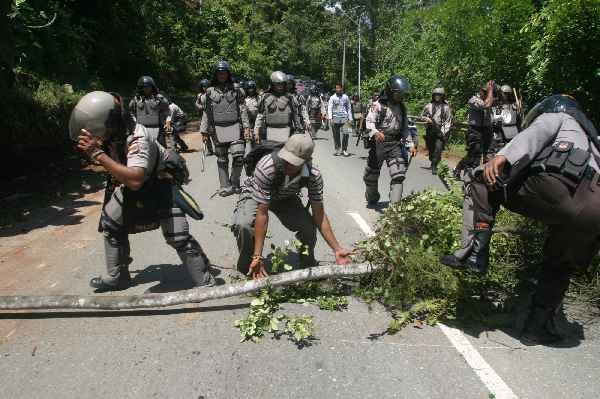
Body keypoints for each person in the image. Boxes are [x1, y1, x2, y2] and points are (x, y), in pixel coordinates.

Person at [440, 94, 600, 345]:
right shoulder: (593, 141)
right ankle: (536, 329)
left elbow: (535, 135)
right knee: (559, 264)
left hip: (562, 190)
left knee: (481, 179)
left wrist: (503, 157)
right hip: (594, 213)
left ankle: (473, 254)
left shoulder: (559, 116)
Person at [71, 91, 213, 292]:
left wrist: (97, 154)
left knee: (177, 236)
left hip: (159, 185)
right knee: (110, 224)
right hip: (130, 186)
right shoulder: (113, 135)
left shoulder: (138, 138)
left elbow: (136, 178)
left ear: (112, 122)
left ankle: (205, 282)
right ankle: (117, 276)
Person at [231, 134, 353, 278]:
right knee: (243, 224)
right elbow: (262, 214)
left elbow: (319, 215)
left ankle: (307, 268)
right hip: (255, 194)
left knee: (308, 226)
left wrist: (337, 249)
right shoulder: (266, 166)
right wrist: (258, 256)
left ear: (306, 161)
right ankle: (250, 268)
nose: (288, 165)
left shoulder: (313, 176)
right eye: (286, 159)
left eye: (294, 163)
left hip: (285, 197)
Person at [363, 75, 417, 206]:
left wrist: (410, 144)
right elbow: (369, 123)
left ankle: (395, 207)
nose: (401, 96)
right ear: (390, 92)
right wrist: (376, 132)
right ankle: (372, 195)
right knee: (371, 175)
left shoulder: (402, 108)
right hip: (379, 144)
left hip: (394, 144)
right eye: (398, 93)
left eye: (402, 94)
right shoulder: (377, 106)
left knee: (399, 175)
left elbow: (404, 129)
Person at [199, 60, 251, 197]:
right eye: (219, 73)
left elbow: (243, 109)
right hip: (217, 129)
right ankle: (225, 186)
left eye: (224, 73)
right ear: (216, 75)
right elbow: (206, 113)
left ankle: (235, 182)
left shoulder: (236, 89)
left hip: (235, 127)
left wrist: (246, 127)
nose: (222, 75)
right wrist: (204, 131)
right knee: (222, 159)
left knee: (239, 157)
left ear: (228, 74)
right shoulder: (209, 92)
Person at [453, 84, 493, 179]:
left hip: (486, 130)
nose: (487, 94)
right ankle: (461, 170)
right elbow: (486, 105)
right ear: (480, 91)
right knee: (474, 153)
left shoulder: (490, 100)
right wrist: (490, 90)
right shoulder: (473, 100)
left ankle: (477, 175)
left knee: (485, 155)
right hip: (474, 130)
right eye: (485, 92)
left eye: (488, 92)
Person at [253, 71, 304, 143]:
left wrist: (299, 129)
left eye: (282, 84)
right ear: (272, 84)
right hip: (269, 132)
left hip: (287, 131)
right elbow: (260, 115)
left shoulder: (290, 98)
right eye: (277, 84)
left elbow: (295, 115)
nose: (280, 86)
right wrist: (256, 132)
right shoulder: (265, 97)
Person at [128, 76, 170, 146]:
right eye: (144, 87)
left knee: (162, 149)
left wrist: (168, 121)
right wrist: (135, 123)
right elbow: (131, 112)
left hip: (157, 129)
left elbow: (168, 111)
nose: (146, 88)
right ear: (141, 88)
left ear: (152, 87)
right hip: (141, 129)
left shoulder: (159, 98)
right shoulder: (136, 99)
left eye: (148, 86)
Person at [421, 87, 452, 175]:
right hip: (430, 129)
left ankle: (434, 165)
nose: (437, 96)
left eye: (439, 95)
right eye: (436, 95)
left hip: (440, 130)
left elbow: (448, 121)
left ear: (442, 96)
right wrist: (426, 119)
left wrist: (443, 132)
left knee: (438, 149)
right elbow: (422, 116)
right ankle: (432, 160)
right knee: (431, 148)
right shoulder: (428, 106)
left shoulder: (446, 107)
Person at [487, 84, 522, 157]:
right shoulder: (499, 106)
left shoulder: (515, 105)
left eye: (506, 94)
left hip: (513, 133)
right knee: (498, 151)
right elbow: (496, 119)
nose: (504, 95)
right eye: (504, 94)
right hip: (501, 132)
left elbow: (518, 120)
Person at [328, 83, 353, 156]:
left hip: (345, 118)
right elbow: (329, 108)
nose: (338, 89)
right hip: (335, 118)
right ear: (335, 89)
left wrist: (350, 118)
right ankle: (337, 149)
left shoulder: (346, 97)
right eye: (336, 88)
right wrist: (330, 118)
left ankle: (344, 150)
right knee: (336, 135)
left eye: (339, 88)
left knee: (346, 134)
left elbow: (349, 108)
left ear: (342, 89)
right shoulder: (332, 97)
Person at [195, 78, 214, 156]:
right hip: (204, 115)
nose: (205, 88)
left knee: (213, 132)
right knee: (204, 132)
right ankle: (209, 150)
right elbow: (196, 103)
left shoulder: (213, 93)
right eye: (203, 86)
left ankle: (219, 148)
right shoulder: (200, 95)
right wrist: (200, 106)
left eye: (206, 86)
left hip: (213, 115)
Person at [244, 80, 260, 149]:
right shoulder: (244, 99)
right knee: (249, 143)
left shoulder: (259, 98)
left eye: (252, 88)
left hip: (257, 122)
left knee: (258, 143)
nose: (251, 90)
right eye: (249, 88)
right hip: (248, 123)